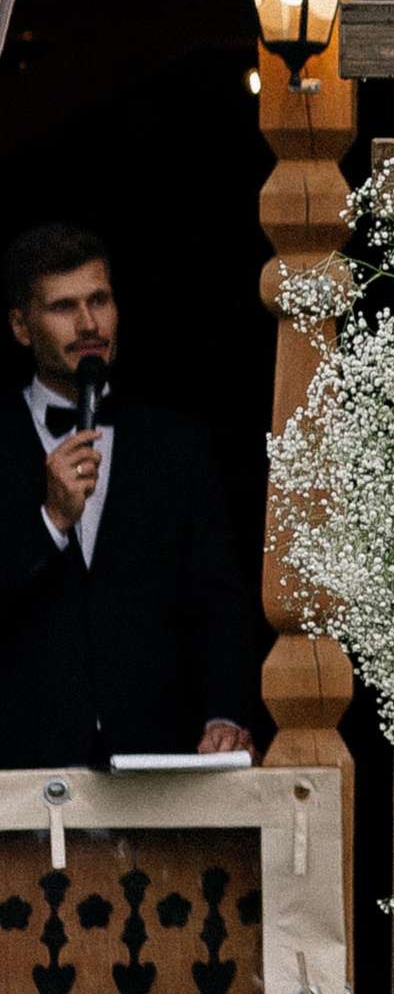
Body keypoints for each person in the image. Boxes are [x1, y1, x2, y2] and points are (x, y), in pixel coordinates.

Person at [0, 222, 263, 771]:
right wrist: (51, 521)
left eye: (99, 300)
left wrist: (222, 714)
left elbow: (215, 600)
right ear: (22, 327)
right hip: (19, 764)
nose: (88, 324)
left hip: (157, 762)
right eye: (63, 307)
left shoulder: (177, 446)